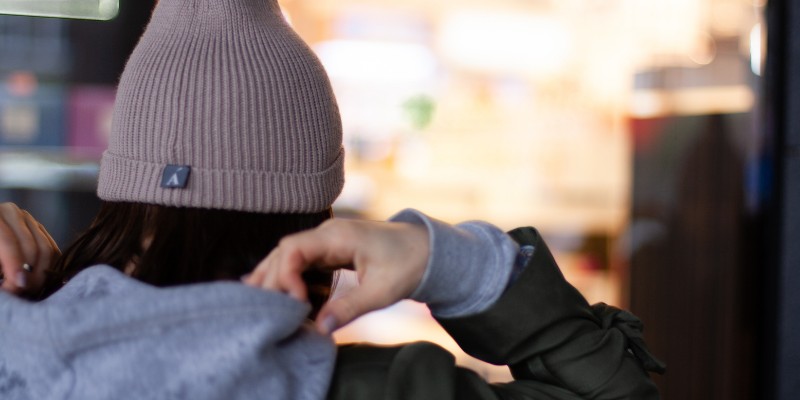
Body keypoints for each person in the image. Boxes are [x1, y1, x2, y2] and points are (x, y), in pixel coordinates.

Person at [0, 0, 664, 398]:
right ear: (315, 232)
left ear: (123, 207)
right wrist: (449, 264)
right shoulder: (377, 392)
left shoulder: (17, 354)